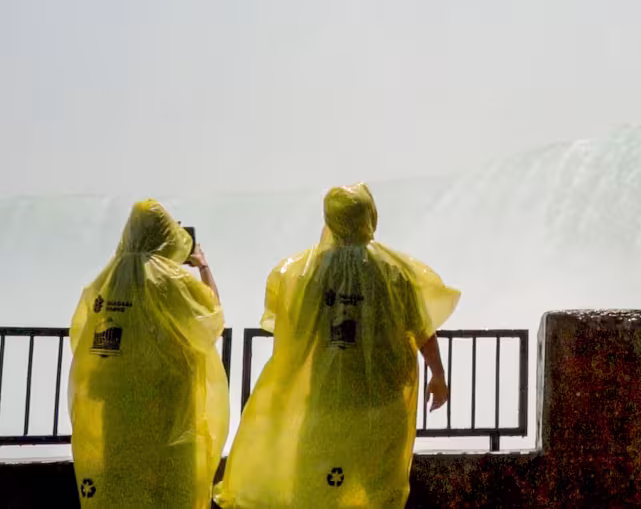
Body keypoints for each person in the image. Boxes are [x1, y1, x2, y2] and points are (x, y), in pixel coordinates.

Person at [215, 183, 460, 508]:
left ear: (330, 218)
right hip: (382, 402)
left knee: (316, 485)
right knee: (378, 488)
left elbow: (296, 335)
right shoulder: (393, 271)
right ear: (370, 215)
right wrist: (438, 375)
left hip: (327, 400)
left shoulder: (311, 272)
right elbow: (421, 330)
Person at [68, 200, 229, 508]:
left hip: (117, 405)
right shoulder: (172, 280)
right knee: (171, 486)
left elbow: (84, 337)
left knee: (122, 481)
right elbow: (210, 320)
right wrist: (202, 266)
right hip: (168, 403)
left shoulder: (107, 280)